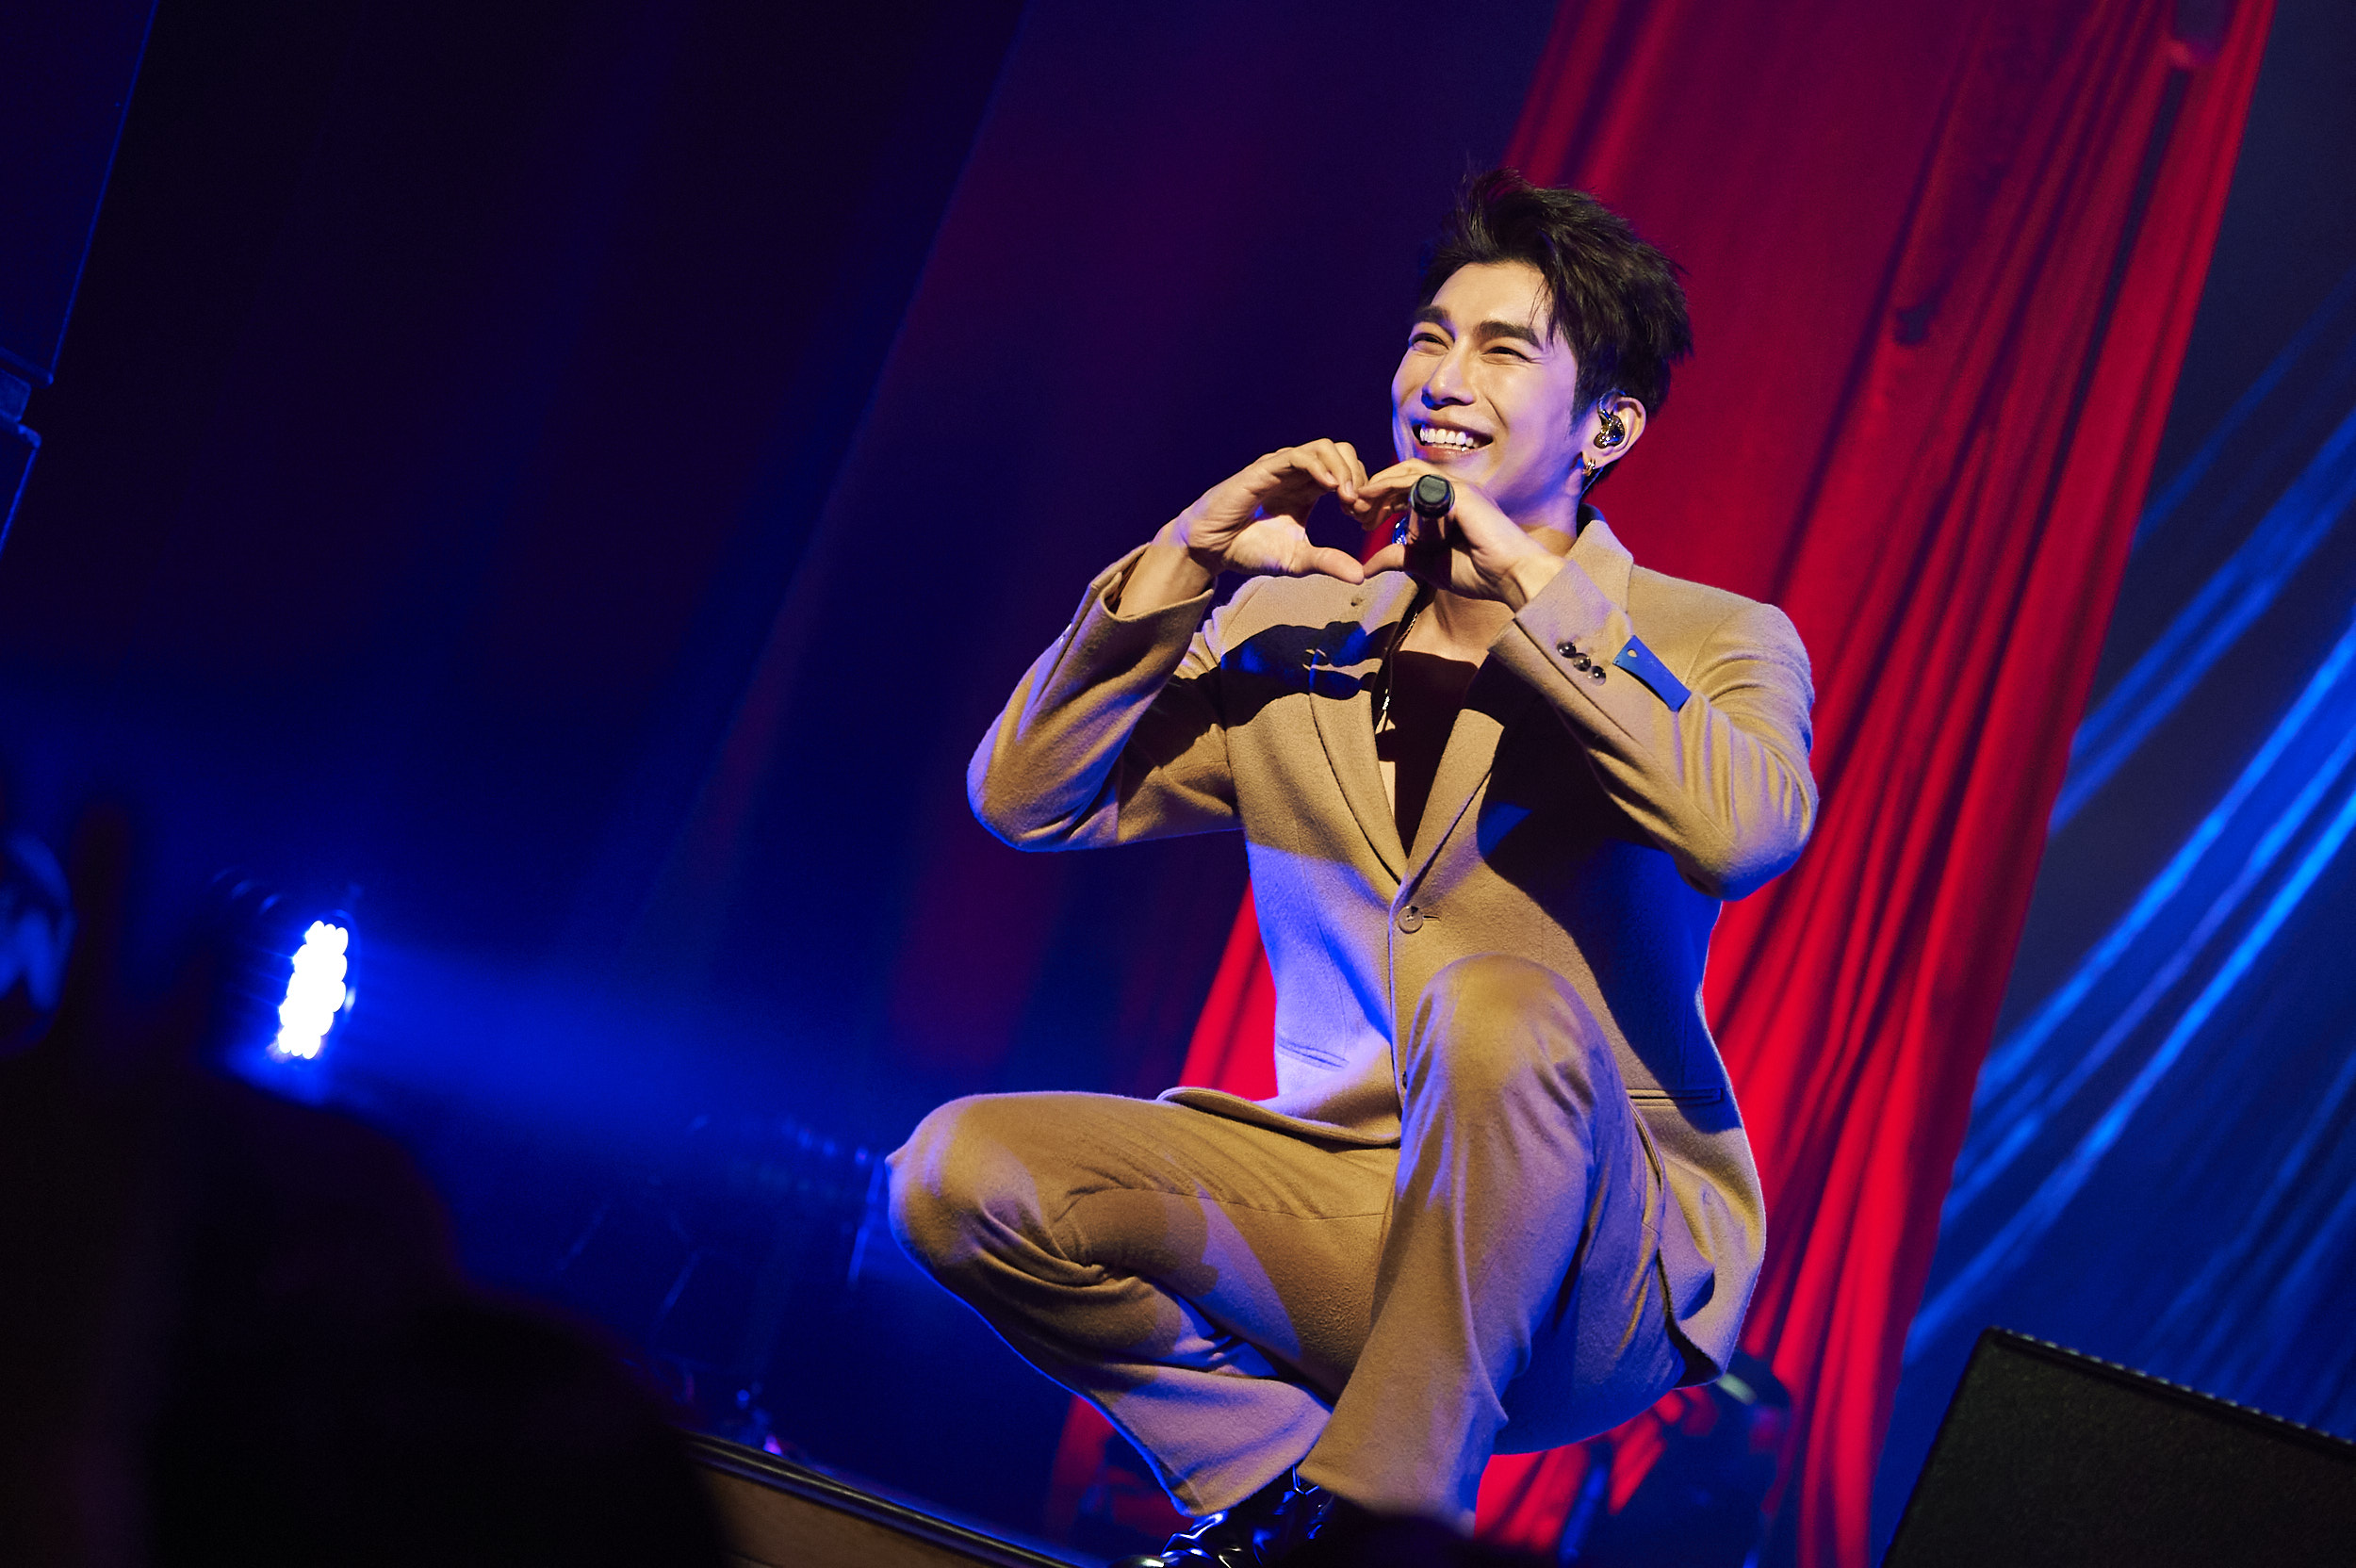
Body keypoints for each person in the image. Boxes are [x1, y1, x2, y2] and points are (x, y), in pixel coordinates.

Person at [889, 170, 1816, 1565]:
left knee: (1497, 998)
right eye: (1429, 338)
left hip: (1588, 1264)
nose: (1442, 379)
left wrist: (1538, 594)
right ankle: (1289, 1504)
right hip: (1350, 1207)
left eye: (1502, 350)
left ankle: (1391, 1520)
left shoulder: (1706, 638)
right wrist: (1187, 559)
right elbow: (1027, 798)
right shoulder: (1302, 629)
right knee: (956, 1175)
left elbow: (1744, 831)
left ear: (1608, 427)